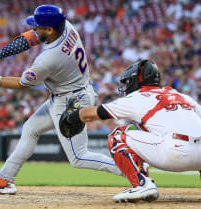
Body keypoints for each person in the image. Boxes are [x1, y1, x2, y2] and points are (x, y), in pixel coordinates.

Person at [0, 4, 122, 195]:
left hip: (70, 102)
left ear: (49, 30)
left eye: (38, 26)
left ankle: (130, 168)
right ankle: (4, 179)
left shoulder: (48, 59)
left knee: (79, 157)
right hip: (70, 93)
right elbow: (32, 37)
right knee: (30, 129)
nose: (33, 29)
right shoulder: (66, 27)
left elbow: (23, 84)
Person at [59, 59, 201, 203]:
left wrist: (72, 117)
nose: (126, 86)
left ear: (136, 80)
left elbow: (96, 113)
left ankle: (142, 184)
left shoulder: (137, 97)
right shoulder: (179, 95)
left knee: (117, 135)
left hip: (175, 154)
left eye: (128, 82)